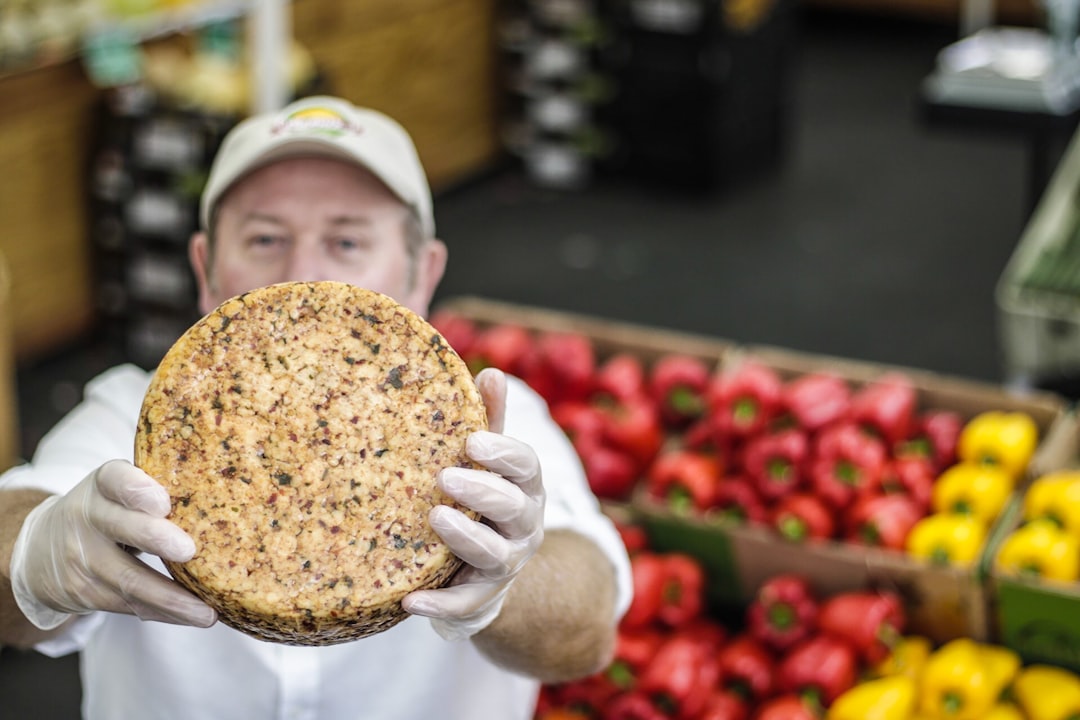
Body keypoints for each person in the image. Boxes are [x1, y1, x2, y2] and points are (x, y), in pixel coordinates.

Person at [0, 95, 632, 719]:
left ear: (422, 274)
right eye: (266, 237)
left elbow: (587, 626)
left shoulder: (493, 422)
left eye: (348, 242)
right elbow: (13, 526)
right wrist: (36, 554)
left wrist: (506, 582)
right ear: (206, 268)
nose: (302, 275)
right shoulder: (141, 418)